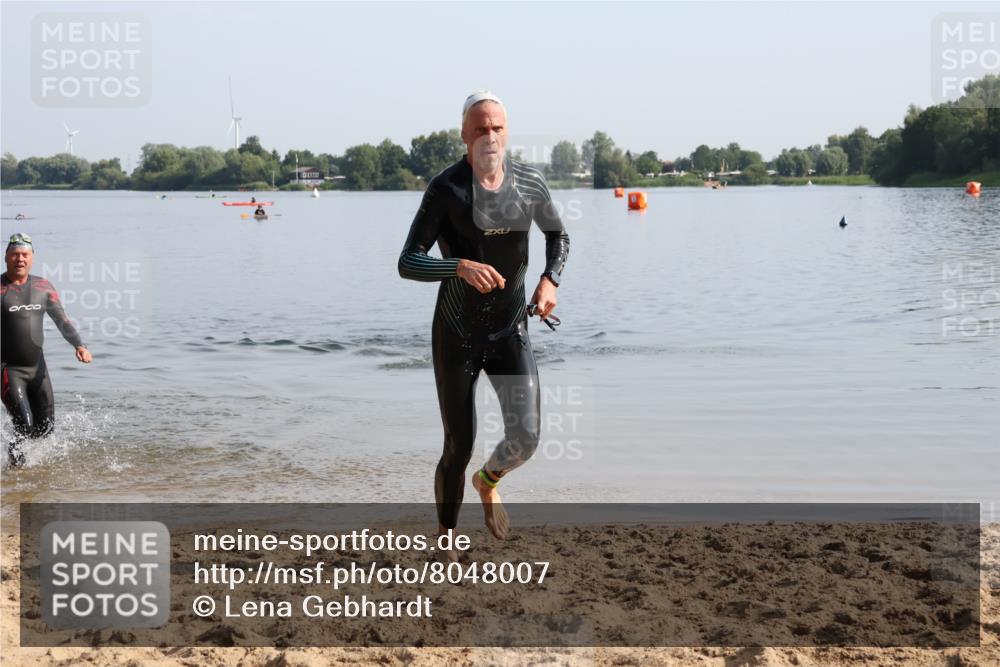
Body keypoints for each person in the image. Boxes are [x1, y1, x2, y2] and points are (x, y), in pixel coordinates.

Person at [399, 91, 569, 543]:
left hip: (510, 330)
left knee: (526, 437)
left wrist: (550, 280)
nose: (489, 136)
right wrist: (457, 266)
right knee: (458, 447)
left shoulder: (529, 182)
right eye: (480, 129)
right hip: (456, 335)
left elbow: (558, 236)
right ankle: (446, 539)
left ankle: (488, 481)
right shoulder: (447, 189)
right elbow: (408, 261)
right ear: (464, 134)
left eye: (497, 128)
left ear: (506, 132)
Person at [1, 233, 92, 466]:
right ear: (6, 257)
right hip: (9, 370)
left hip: (37, 369)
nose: (20, 259)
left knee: (46, 427)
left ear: (32, 257)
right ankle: (16, 473)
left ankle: (33, 472)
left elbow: (62, 320)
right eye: (15, 254)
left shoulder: (43, 287)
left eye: (24, 254)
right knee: (24, 424)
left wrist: (79, 345)